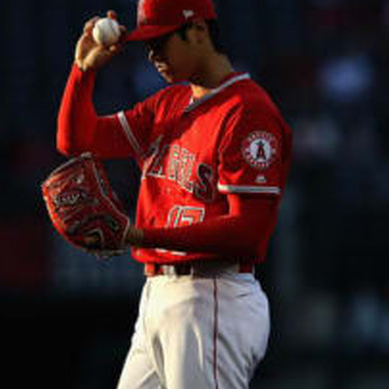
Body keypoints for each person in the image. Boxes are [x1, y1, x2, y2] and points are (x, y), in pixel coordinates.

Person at [56, 0, 293, 388]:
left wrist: (139, 235)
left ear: (197, 30)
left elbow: (247, 232)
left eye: (161, 42)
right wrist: (83, 71)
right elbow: (75, 140)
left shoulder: (247, 111)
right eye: (147, 47)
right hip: (158, 296)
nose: (153, 56)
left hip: (212, 298)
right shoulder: (168, 103)